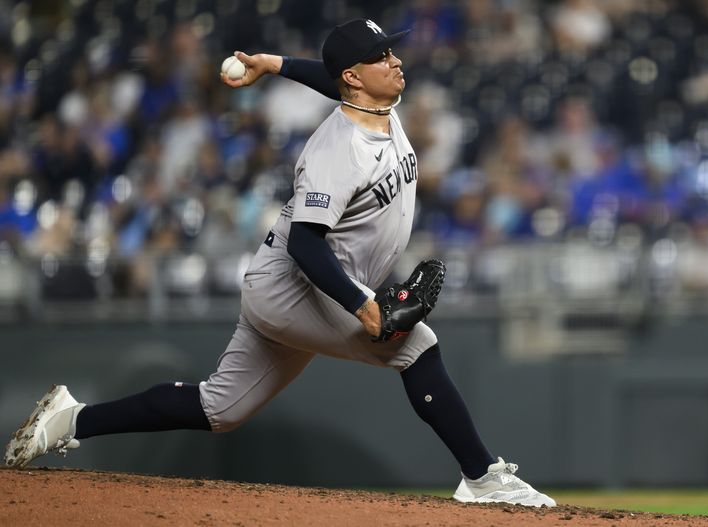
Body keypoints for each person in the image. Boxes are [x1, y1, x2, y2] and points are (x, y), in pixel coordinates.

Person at [4, 19, 555, 508]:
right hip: (293, 289)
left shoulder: (377, 103)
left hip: (310, 288)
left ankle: (70, 419)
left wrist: (275, 65)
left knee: (221, 407)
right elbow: (306, 246)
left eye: (391, 50)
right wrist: (363, 305)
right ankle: (481, 476)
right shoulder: (336, 151)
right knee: (414, 345)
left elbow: (333, 78)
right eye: (382, 56)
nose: (396, 60)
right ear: (357, 77)